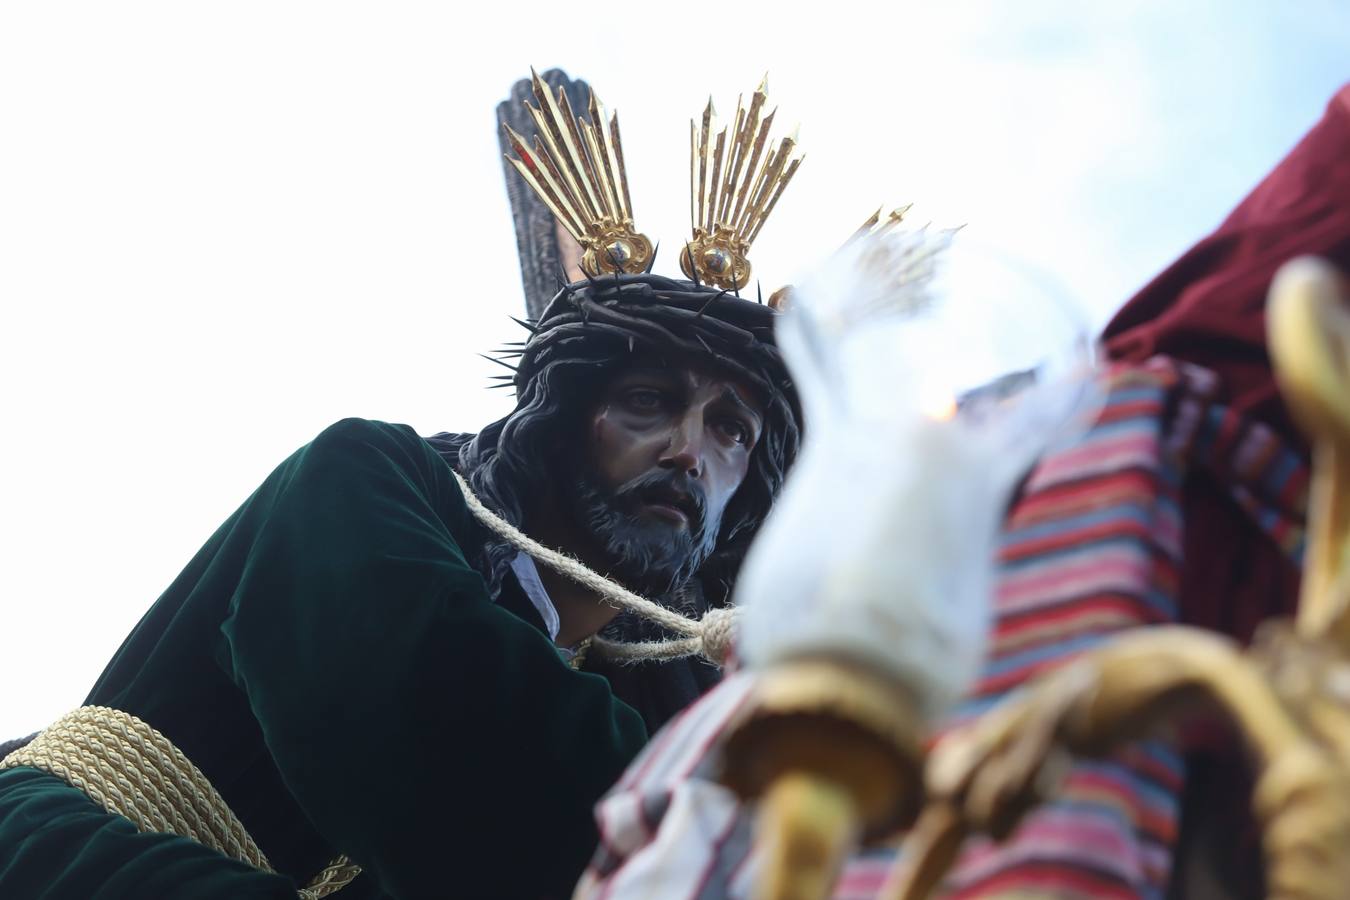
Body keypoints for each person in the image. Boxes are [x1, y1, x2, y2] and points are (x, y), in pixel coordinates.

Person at [0, 266, 801, 900]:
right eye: (650, 401)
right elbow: (420, 693)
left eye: (730, 429)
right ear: (561, 416)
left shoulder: (658, 689)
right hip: (51, 853)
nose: (688, 451)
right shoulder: (369, 478)